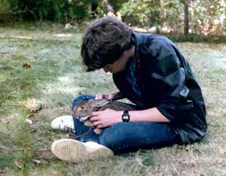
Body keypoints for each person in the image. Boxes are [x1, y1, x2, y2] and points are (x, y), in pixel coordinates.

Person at [50, 16, 207, 162]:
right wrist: (115, 96)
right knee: (82, 101)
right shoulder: (126, 52)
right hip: (147, 109)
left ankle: (86, 138)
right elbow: (149, 85)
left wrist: (121, 117)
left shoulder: (160, 51)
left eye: (108, 66)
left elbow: (175, 109)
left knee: (117, 135)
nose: (106, 71)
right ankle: (89, 134)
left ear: (123, 52)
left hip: (179, 123)